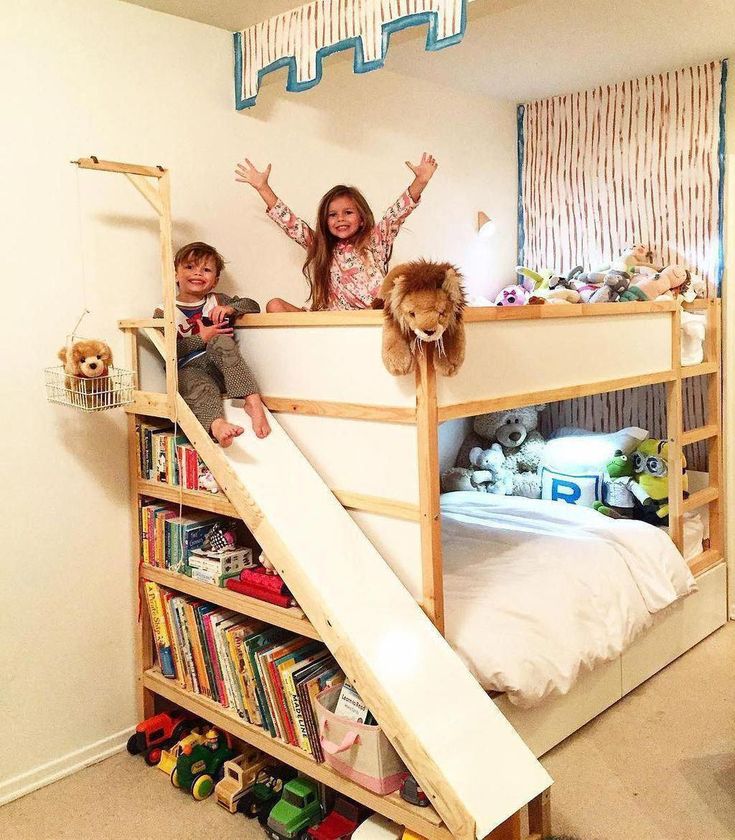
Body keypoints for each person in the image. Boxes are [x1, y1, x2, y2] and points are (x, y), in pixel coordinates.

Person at [235, 153, 438, 311]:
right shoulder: (322, 246)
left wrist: (421, 181)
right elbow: (291, 224)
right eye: (333, 215)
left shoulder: (376, 240)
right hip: (332, 317)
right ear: (325, 220)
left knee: (409, 304)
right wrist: (263, 188)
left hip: (373, 315)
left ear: (361, 218)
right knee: (274, 305)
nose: (340, 218)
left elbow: (396, 214)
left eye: (348, 212)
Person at [154, 242, 270, 448]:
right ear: (175, 274)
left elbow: (253, 305)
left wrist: (230, 309)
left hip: (224, 370)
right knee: (198, 388)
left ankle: (252, 401)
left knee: (221, 341)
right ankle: (217, 426)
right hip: (189, 370)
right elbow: (169, 351)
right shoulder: (164, 311)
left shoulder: (217, 300)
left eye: (206, 270)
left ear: (214, 281)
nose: (198, 273)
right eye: (190, 267)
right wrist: (201, 338)